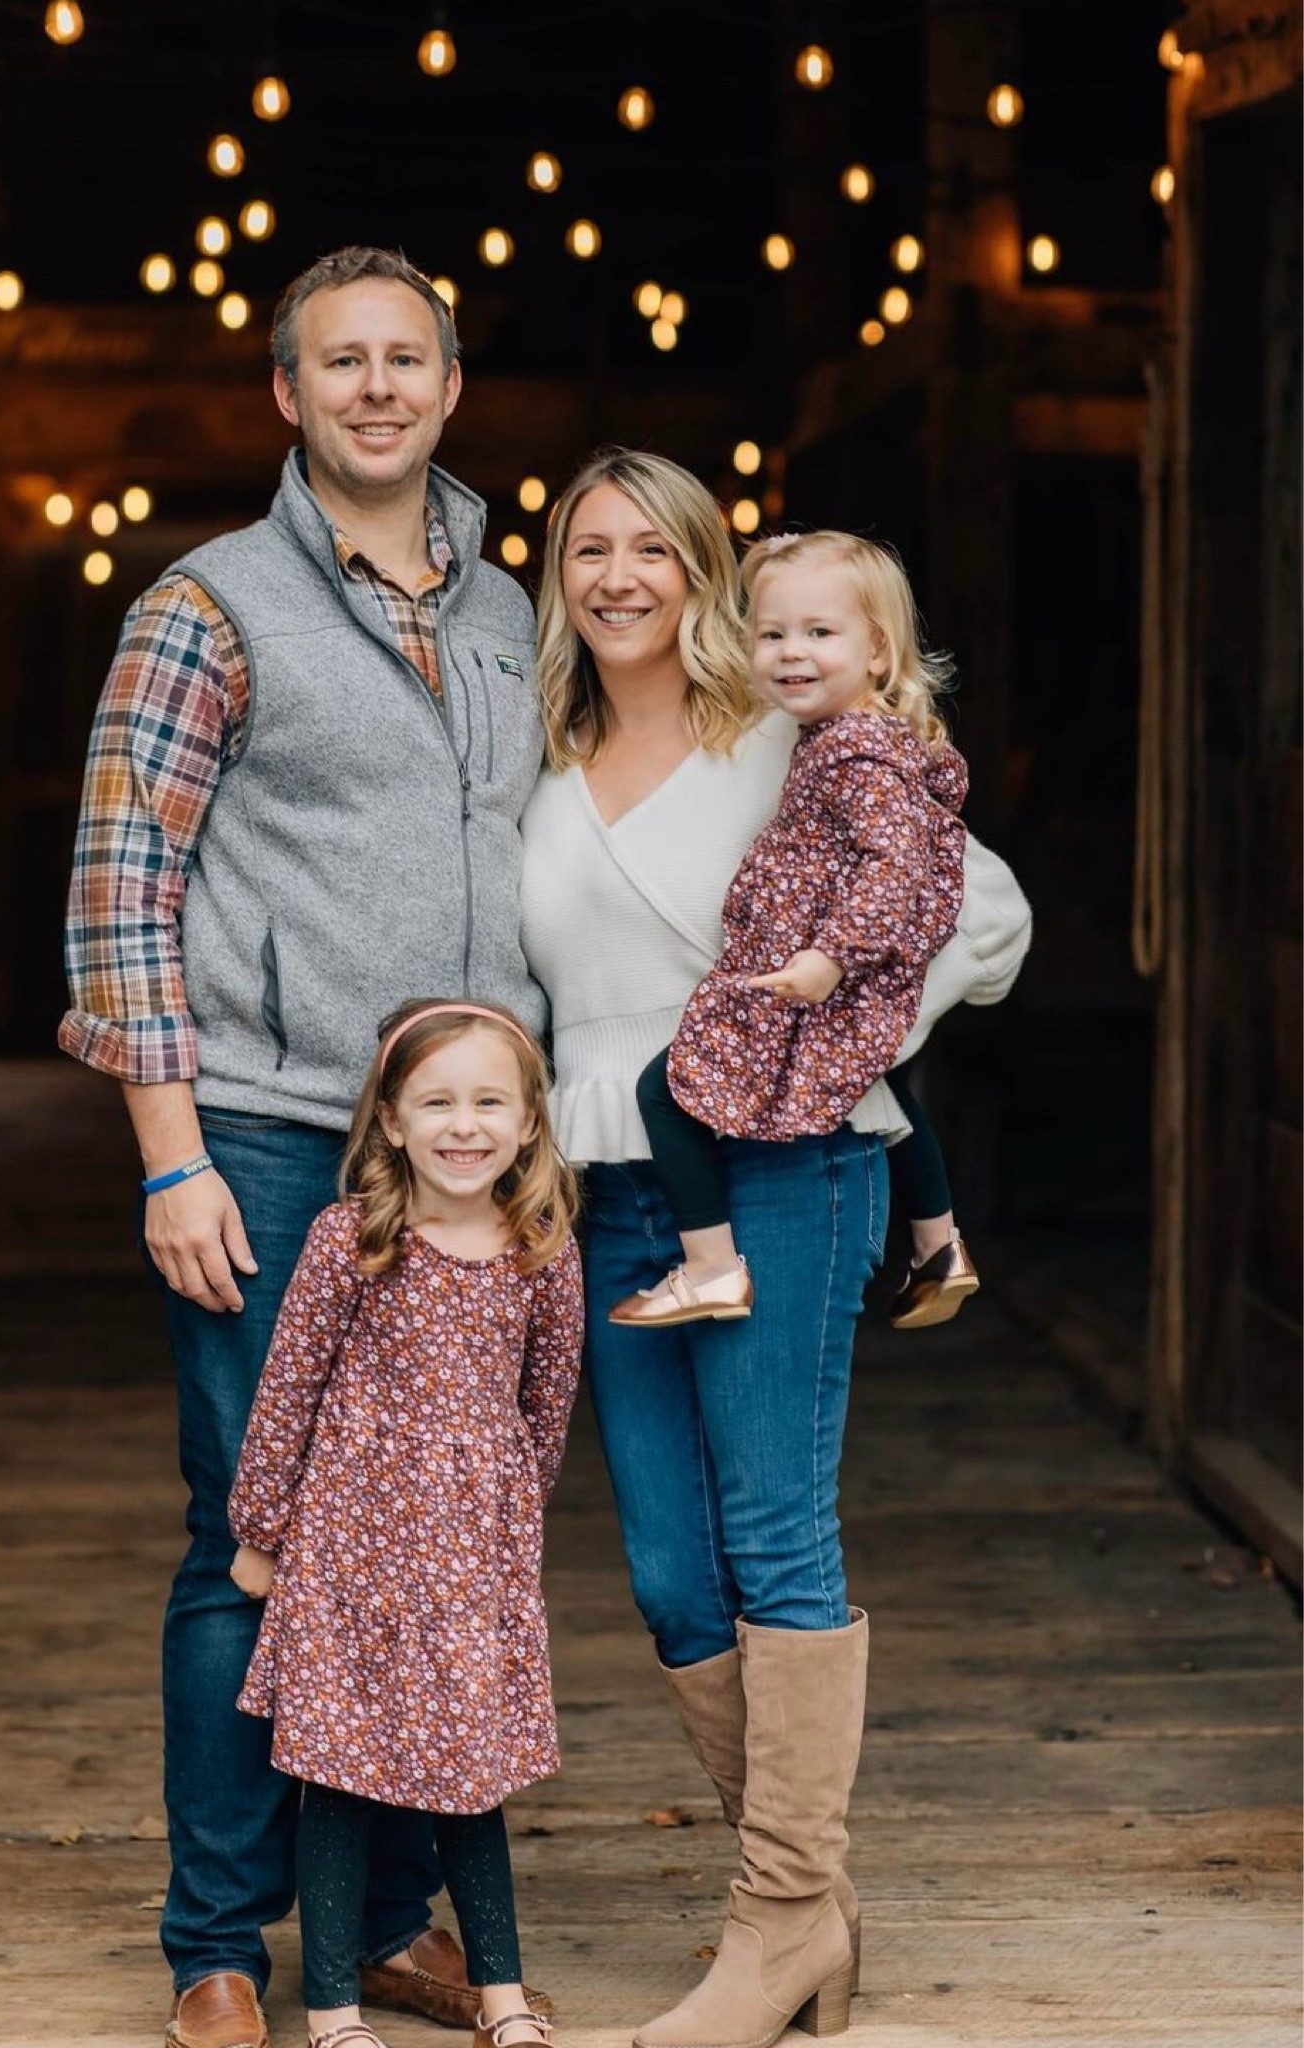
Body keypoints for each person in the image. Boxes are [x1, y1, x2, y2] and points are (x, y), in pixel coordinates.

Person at [60, 247, 549, 2048]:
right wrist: (168, 1157)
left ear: (447, 383)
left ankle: (406, 1921)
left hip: (472, 1159)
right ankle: (214, 1939)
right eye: (334, 362)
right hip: (274, 1137)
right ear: (284, 395)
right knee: (251, 1532)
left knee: (434, 1535)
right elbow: (123, 896)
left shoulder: (513, 607)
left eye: (401, 358)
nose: (371, 388)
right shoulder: (209, 604)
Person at [519, 450, 1031, 2048]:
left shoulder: (783, 749)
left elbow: (986, 915)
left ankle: (772, 1924)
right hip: (614, 1194)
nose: (615, 578)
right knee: (670, 1571)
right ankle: (806, 1906)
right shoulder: (535, 767)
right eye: (583, 550)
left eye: (649, 551)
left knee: (771, 1533)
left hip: (789, 1171)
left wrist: (837, 1043)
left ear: (703, 577)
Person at [227, 999, 583, 2048]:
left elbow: (546, 1405)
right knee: (334, 1774)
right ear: (390, 1119)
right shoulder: (354, 1238)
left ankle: (503, 1997)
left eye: (488, 1101)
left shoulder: (541, 1250)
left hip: (471, 1561)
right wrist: (261, 1527)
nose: (462, 1124)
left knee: (471, 1779)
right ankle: (333, 2006)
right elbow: (288, 1383)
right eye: (436, 1100)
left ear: (527, 1122)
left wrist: (515, 1517)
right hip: (351, 1546)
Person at [613, 529, 970, 1332]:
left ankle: (709, 1267)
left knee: (666, 1090)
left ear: (878, 651)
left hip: (823, 971)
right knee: (880, 1083)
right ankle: (941, 1243)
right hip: (835, 968)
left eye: (818, 633)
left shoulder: (855, 753)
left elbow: (895, 864)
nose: (789, 652)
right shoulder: (848, 740)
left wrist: (830, 959)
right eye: (771, 634)